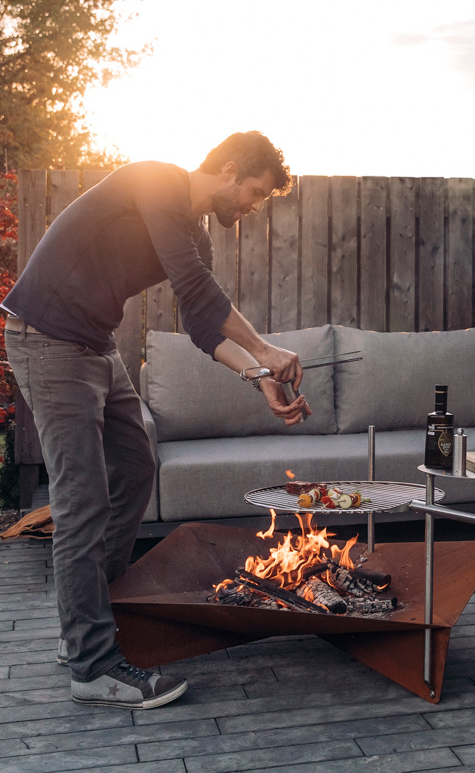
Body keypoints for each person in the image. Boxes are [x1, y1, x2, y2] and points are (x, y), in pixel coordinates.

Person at [2, 131, 312, 709]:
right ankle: (92, 668)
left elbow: (201, 322)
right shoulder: (156, 181)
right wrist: (267, 349)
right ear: (227, 169)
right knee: (83, 501)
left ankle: (92, 624)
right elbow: (198, 289)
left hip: (93, 345)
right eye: (253, 192)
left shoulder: (195, 234)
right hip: (47, 338)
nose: (251, 207)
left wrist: (259, 377)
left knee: (136, 466)